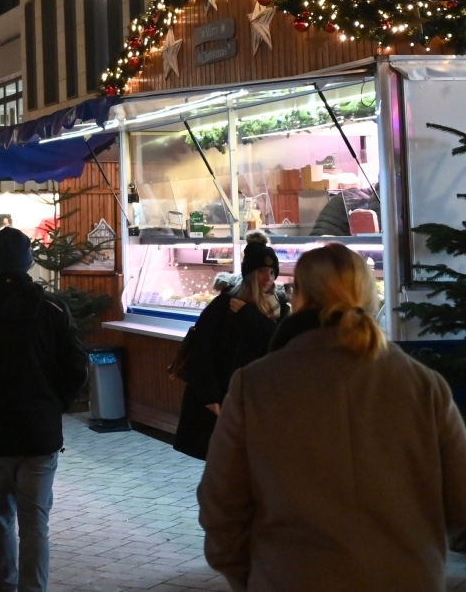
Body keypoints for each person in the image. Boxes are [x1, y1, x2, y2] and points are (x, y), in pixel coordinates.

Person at [198, 243, 466, 591]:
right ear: (369, 295)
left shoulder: (255, 385)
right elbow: (461, 500)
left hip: (291, 579)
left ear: (299, 297)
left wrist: (249, 576)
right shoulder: (423, 386)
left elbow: (221, 505)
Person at [0, 227, 88, 592]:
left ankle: (4, 580)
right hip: (39, 432)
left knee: (0, 513)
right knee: (35, 521)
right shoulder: (53, 309)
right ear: (28, 262)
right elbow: (76, 367)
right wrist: (55, 405)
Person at [172, 240, 286, 460]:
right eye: (261, 271)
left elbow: (278, 343)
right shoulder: (224, 305)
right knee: (227, 458)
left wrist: (249, 315)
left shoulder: (279, 306)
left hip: (259, 398)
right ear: (249, 274)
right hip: (226, 396)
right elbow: (202, 350)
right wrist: (209, 396)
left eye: (272, 272)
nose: (268, 278)